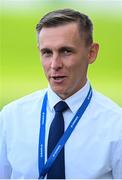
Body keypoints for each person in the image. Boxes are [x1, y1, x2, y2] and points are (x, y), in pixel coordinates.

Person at [0, 9, 122, 179]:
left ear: (91, 53)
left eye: (66, 51)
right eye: (47, 53)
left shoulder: (116, 125)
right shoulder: (10, 118)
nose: (54, 64)